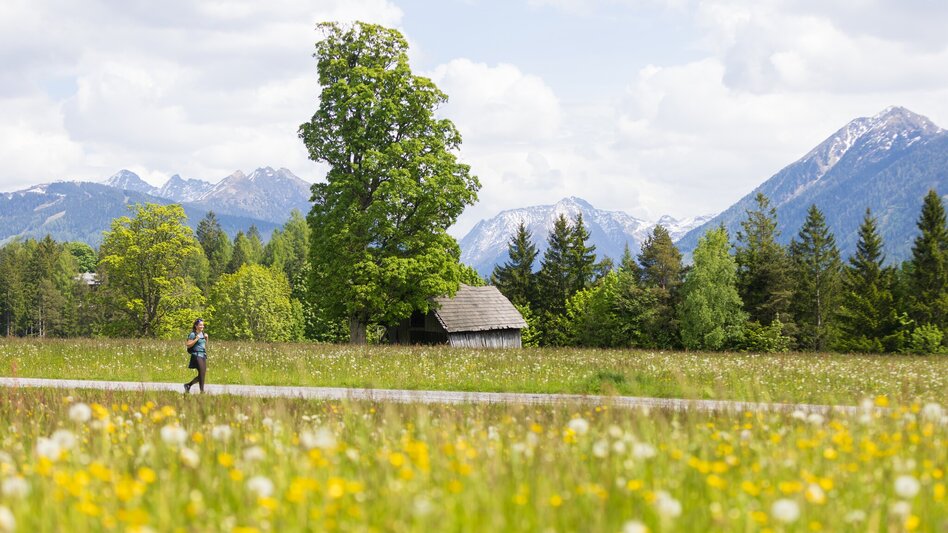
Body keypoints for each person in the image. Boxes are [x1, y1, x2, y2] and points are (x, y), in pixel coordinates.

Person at [185, 318, 209, 393]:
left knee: (202, 374)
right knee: (202, 373)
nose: (202, 326)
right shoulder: (193, 334)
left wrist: (207, 338)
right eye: (200, 325)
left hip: (203, 355)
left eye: (203, 325)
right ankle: (202, 391)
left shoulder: (203, 334)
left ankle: (188, 385)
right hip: (196, 355)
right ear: (196, 326)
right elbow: (188, 345)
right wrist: (196, 339)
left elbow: (205, 346)